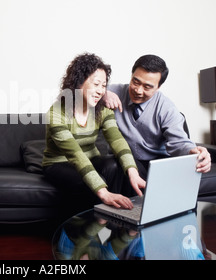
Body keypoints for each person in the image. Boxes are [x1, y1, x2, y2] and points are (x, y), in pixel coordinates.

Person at [42, 53, 145, 209]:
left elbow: (117, 140)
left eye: (104, 86)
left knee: (116, 166)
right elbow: (76, 155)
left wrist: (133, 172)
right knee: (85, 181)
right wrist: (104, 193)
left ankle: (124, 217)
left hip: (91, 158)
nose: (100, 91)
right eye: (96, 84)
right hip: (60, 163)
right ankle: (87, 226)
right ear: (79, 82)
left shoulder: (102, 109)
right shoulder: (56, 112)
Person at [104, 54, 211, 179]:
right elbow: (78, 91)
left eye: (147, 87)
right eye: (135, 82)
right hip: (123, 159)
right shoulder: (115, 91)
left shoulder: (167, 108)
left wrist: (193, 151)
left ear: (158, 87)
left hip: (155, 164)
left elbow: (179, 142)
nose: (138, 90)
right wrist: (102, 93)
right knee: (117, 166)